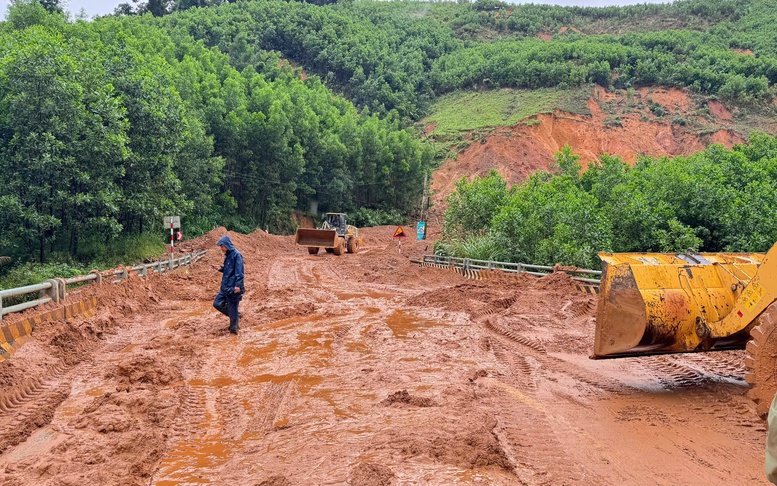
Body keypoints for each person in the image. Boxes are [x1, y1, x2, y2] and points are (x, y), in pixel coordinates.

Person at [213, 235, 244, 334]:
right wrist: (221, 268)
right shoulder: (228, 256)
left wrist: (238, 286)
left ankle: (234, 330)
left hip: (233, 288)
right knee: (217, 303)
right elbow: (228, 270)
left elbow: (239, 272)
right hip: (225, 287)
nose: (221, 248)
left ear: (226, 245)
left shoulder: (237, 255)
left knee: (232, 308)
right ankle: (235, 315)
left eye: (222, 246)